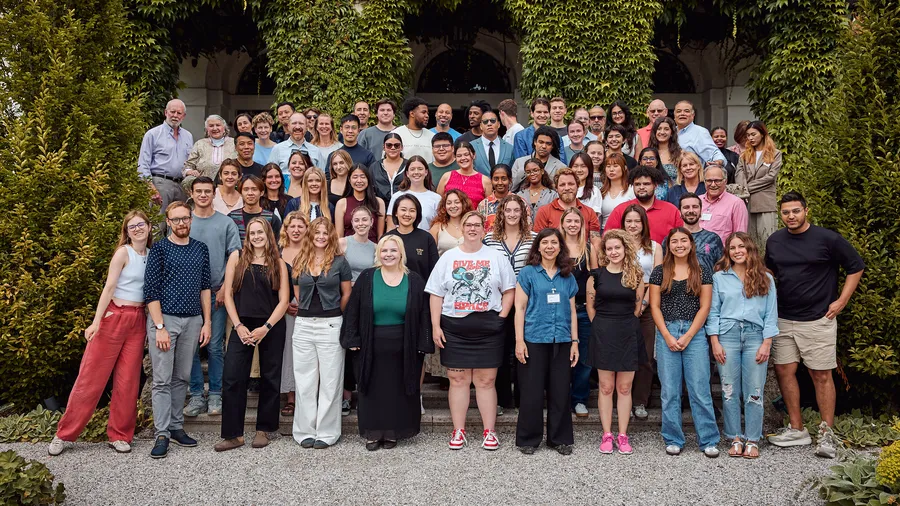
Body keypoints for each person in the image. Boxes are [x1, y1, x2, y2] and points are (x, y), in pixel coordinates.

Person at [765, 192, 864, 458]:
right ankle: (797, 429)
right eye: (786, 212)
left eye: (796, 211)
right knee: (785, 371)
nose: (791, 216)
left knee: (821, 374)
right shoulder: (774, 241)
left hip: (819, 318)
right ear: (781, 214)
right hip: (783, 318)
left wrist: (842, 301)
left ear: (806, 210)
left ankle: (826, 434)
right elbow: (770, 272)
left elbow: (856, 266)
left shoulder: (827, 238)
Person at [49, 211, 153, 456]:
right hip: (114, 316)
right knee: (91, 377)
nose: (137, 229)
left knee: (128, 382)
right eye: (131, 226)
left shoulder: (152, 254)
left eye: (141, 224)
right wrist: (96, 322)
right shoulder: (122, 253)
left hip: (138, 320)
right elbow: (108, 287)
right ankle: (63, 434)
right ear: (126, 231)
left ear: (149, 227)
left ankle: (119, 434)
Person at [426, 211, 516, 451]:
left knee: (486, 381)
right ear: (462, 229)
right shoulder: (448, 258)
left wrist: (502, 317)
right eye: (469, 225)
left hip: (489, 326)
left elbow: (509, 290)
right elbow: (436, 293)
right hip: (455, 327)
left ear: (484, 230)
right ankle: (459, 430)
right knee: (458, 379)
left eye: (478, 225)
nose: (473, 229)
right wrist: (436, 325)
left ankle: (489, 432)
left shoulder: (496, 257)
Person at [341, 235, 433, 450]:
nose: (388, 254)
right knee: (372, 389)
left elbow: (423, 314)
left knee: (398, 389)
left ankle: (393, 431)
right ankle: (373, 432)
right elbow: (353, 309)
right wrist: (352, 338)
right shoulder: (367, 277)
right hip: (371, 343)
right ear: (378, 254)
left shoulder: (414, 280)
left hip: (405, 344)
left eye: (393, 250)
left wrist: (423, 343)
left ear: (401, 253)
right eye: (384, 251)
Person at [143, 202, 212, 459]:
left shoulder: (200, 249)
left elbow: (205, 287)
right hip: (166, 321)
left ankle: (176, 426)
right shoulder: (159, 249)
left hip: (193, 320)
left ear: (191, 220)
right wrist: (159, 326)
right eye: (176, 219)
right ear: (168, 222)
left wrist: (207, 322)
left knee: (182, 377)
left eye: (186, 218)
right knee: (161, 379)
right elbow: (151, 290)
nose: (182, 223)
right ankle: (161, 433)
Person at [214, 219, 290, 452]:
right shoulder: (236, 258)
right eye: (252, 233)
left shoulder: (278, 263)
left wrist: (266, 327)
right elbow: (227, 295)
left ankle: (263, 429)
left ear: (268, 234)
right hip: (242, 325)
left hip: (271, 326)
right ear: (247, 236)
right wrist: (237, 325)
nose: (256, 236)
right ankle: (233, 434)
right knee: (233, 377)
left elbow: (284, 300)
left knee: (270, 376)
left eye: (260, 232)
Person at [649, 227, 719, 458]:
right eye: (674, 241)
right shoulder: (660, 272)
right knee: (670, 390)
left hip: (694, 332)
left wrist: (688, 335)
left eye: (683, 240)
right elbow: (655, 306)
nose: (679, 245)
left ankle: (708, 439)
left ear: (691, 244)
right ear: (668, 246)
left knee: (699, 389)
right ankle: (673, 438)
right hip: (667, 330)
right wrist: (667, 336)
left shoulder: (702, 271)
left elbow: (705, 306)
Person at [707, 232, 778, 459]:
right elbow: (713, 312)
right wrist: (714, 341)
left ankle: (753, 439)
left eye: (742, 247)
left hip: (755, 336)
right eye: (733, 247)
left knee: (754, 391)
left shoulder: (766, 278)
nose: (737, 251)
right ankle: (735, 437)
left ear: (750, 250)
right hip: (727, 336)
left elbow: (771, 314)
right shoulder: (719, 278)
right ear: (727, 251)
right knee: (729, 390)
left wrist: (767, 343)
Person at [514, 228, 579, 455]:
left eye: (554, 243)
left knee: (560, 390)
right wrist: (519, 341)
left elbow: (572, 311)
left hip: (561, 340)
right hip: (534, 338)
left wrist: (575, 342)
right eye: (545, 243)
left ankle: (558, 439)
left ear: (560, 247)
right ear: (538, 246)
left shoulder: (567, 276)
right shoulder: (528, 273)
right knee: (531, 391)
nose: (550, 247)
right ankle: (528, 440)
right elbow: (519, 308)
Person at [291, 217, 353, 449]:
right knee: (305, 379)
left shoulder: (339, 262)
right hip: (304, 325)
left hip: (331, 325)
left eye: (325, 233)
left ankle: (327, 432)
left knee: (330, 380)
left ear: (330, 236)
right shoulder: (300, 260)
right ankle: (304, 430)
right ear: (311, 235)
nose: (320, 236)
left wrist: (336, 312)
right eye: (316, 232)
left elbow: (346, 293)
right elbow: (298, 293)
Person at [182, 177, 242, 419]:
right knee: (192, 348)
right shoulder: (185, 222)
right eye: (199, 191)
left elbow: (235, 255)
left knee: (216, 346)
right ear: (192, 193)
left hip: (217, 292)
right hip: (187, 295)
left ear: (214, 193)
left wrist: (225, 288)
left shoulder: (225, 223)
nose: (203, 195)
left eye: (208, 191)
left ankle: (215, 393)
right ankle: (196, 395)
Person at [587, 229, 645, 455]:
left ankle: (622, 434)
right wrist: (600, 327)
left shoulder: (636, 275)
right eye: (609, 248)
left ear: (625, 249)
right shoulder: (596, 276)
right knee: (606, 386)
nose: (613, 252)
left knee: (624, 387)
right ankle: (606, 434)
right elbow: (591, 307)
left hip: (627, 332)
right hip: (603, 332)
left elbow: (638, 308)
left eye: (617, 248)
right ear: (605, 251)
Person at [483, 195, 538, 414]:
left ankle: (525, 398)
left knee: (526, 349)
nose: (513, 214)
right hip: (498, 302)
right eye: (508, 210)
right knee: (500, 350)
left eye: (517, 210)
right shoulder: (489, 239)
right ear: (501, 213)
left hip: (527, 302)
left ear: (524, 213)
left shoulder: (533, 238)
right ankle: (501, 398)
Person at [620, 204, 662, 421]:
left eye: (637, 221)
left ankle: (640, 401)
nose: (633, 225)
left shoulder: (654, 247)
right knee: (621, 354)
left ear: (644, 223)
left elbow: (657, 279)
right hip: (620, 304)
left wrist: (643, 303)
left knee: (644, 355)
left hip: (646, 303)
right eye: (629, 221)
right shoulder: (617, 246)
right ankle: (621, 397)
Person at [559, 207, 598, 418]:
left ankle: (580, 398)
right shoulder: (556, 247)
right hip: (559, 309)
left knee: (583, 357)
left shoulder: (589, 248)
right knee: (560, 357)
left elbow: (594, 279)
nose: (573, 224)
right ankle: (561, 397)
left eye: (577, 221)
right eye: (569, 221)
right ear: (563, 223)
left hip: (583, 309)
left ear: (582, 225)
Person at [278, 212, 307, 418]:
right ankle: (290, 397)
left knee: (307, 354)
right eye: (292, 226)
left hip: (310, 310)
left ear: (307, 229)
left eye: (300, 226)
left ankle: (307, 396)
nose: (296, 230)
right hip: (283, 310)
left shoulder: (313, 251)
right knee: (288, 351)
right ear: (285, 229)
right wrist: (284, 304)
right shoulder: (277, 253)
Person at [604, 165, 683, 243]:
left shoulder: (671, 210)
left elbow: (682, 238)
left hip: (662, 255)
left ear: (655, 185)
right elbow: (607, 238)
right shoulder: (620, 210)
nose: (641, 187)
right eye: (637, 184)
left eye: (646, 184)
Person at [138, 99, 193, 210]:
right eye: (172, 112)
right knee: (159, 224)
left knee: (180, 223)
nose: (175, 115)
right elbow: (143, 164)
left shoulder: (188, 136)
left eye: (179, 113)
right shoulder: (153, 134)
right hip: (160, 184)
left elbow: (190, 163)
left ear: (184, 116)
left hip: (182, 186)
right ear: (165, 112)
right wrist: (151, 188)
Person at [736, 120, 783, 247]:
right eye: (748, 135)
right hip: (747, 202)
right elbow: (739, 175)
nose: (750, 138)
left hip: (766, 202)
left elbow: (770, 177)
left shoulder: (775, 154)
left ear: (762, 134)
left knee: (767, 240)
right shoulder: (744, 155)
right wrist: (743, 191)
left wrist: (747, 188)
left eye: (753, 134)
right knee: (750, 241)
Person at [385, 194, 440, 281]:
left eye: (412, 210)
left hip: (420, 292)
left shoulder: (426, 238)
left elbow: (435, 270)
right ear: (395, 212)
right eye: (403, 210)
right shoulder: (387, 238)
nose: (407, 214)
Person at [533, 168, 601, 235]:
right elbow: (539, 241)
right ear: (556, 188)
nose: (567, 188)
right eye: (562, 185)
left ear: (577, 186)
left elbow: (595, 242)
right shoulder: (544, 212)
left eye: (571, 184)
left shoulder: (590, 213)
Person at [670, 193, 725, 274]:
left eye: (695, 207)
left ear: (701, 210)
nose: (691, 211)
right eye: (686, 207)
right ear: (679, 212)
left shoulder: (713, 239)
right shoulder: (671, 239)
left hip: (708, 285)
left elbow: (721, 269)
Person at [181, 114, 236, 192]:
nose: (215, 128)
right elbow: (188, 166)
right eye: (211, 126)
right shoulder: (199, 144)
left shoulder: (234, 143)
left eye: (218, 125)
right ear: (207, 129)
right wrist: (190, 171)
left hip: (229, 184)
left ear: (224, 128)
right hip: (204, 186)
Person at [387, 155, 440, 231]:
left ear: (426, 172)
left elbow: (438, 227)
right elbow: (390, 226)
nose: (416, 172)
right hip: (400, 241)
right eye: (412, 169)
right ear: (407, 173)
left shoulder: (436, 198)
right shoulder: (397, 196)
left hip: (426, 241)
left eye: (420, 169)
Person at [334, 164, 385, 242]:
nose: (359, 180)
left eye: (362, 177)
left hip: (372, 248)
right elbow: (339, 235)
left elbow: (380, 235)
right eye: (355, 177)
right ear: (349, 180)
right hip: (348, 248)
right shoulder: (342, 203)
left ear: (368, 179)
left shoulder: (379, 202)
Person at [699, 165, 748, 244]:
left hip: (722, 254)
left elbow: (740, 237)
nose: (713, 184)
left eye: (717, 181)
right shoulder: (697, 201)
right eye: (709, 181)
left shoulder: (736, 203)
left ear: (725, 181)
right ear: (704, 182)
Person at [228, 175, 283, 243]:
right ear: (240, 193)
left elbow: (278, 244)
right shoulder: (231, 218)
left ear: (261, 193)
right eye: (246, 189)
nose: (250, 193)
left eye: (254, 189)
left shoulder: (272, 219)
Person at [436, 141, 492, 207]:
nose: (463, 158)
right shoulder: (447, 176)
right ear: (455, 158)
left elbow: (488, 207)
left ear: (474, 155)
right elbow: (439, 203)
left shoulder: (485, 180)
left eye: (466, 154)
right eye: (459, 156)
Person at [511, 126, 566, 190]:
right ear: (535, 142)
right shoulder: (519, 162)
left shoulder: (560, 167)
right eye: (541, 142)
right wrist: (524, 170)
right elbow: (511, 188)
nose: (544, 146)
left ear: (552, 146)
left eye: (548, 143)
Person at [269, 112, 324, 176]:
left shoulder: (316, 151)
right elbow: (270, 175)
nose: (297, 127)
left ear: (306, 127)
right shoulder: (277, 149)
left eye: (301, 123)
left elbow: (322, 177)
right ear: (288, 127)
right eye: (294, 123)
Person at [673, 100, 725, 166]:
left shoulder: (700, 132)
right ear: (674, 115)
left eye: (686, 111)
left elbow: (714, 153)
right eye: (678, 111)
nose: (682, 113)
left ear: (693, 115)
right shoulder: (670, 132)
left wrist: (718, 162)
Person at [338, 206, 376, 283]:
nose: (360, 223)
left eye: (364, 220)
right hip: (348, 290)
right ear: (352, 223)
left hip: (368, 290)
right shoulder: (341, 243)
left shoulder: (376, 247)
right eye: (356, 220)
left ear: (371, 222)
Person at [598, 152, 635, 229]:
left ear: (624, 168)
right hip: (605, 231)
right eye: (608, 166)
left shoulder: (632, 189)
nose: (611, 169)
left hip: (625, 232)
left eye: (615, 166)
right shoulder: (601, 192)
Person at [430, 189, 472, 256]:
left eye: (457, 202)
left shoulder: (473, 226)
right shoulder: (437, 227)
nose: (453, 206)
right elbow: (430, 254)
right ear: (444, 206)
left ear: (464, 204)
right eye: (449, 203)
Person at [369, 132, 408, 203]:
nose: (393, 148)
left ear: (401, 147)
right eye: (389, 145)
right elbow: (370, 189)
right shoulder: (375, 167)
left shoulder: (409, 165)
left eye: (396, 145)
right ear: (384, 147)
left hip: (404, 207)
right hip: (380, 207)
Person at [392, 97, 434, 162]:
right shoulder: (396, 135)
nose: (427, 116)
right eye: (423, 112)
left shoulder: (432, 136)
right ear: (412, 114)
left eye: (427, 113)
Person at [473, 110, 514, 176]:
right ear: (481, 126)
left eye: (493, 121)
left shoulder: (509, 148)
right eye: (485, 122)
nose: (489, 124)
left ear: (498, 124)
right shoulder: (471, 147)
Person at [477, 164, 512, 230]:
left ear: (510, 180)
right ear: (491, 180)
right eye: (496, 179)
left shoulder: (520, 202)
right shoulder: (483, 205)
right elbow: (479, 230)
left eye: (504, 179)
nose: (500, 182)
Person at [649, 116, 682, 184]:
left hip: (675, 193)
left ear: (672, 133)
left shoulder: (680, 154)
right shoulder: (648, 153)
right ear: (655, 132)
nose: (662, 132)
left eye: (666, 129)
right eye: (659, 129)